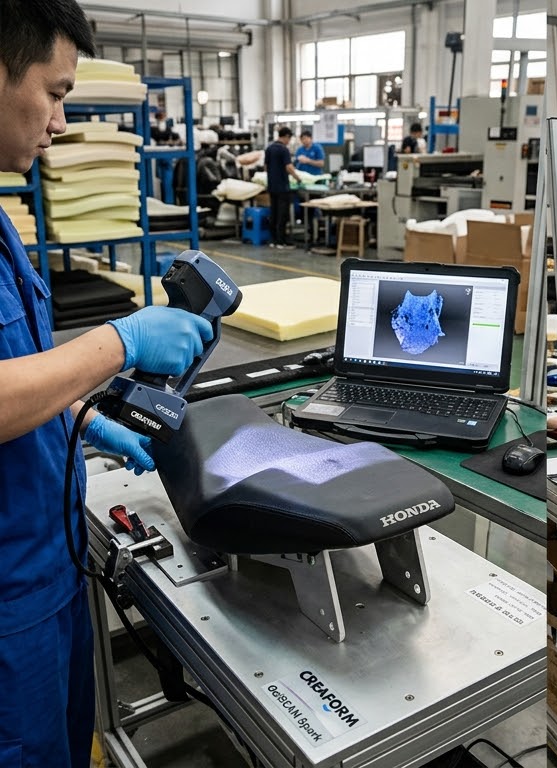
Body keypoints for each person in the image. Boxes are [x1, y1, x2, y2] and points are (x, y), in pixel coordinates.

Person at [0, 3, 214, 766]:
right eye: (55, 94)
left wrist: (83, 418)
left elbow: (18, 370)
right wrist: (120, 338)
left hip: (48, 571)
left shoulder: (0, 220)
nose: (60, 123)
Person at [264, 126, 304, 248]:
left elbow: (265, 167)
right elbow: (289, 167)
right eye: (289, 138)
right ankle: (281, 241)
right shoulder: (283, 150)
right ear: (286, 136)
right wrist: (298, 178)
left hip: (272, 186)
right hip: (282, 187)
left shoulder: (269, 148)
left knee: (274, 213)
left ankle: (273, 240)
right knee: (283, 214)